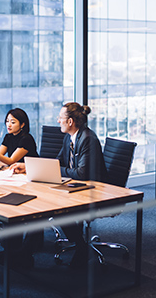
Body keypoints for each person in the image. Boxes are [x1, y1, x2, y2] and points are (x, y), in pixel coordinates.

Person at [0, 108, 41, 268]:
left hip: (32, 176)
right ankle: (9, 241)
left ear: (22, 124)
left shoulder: (26, 139)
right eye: (7, 121)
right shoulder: (8, 136)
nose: (9, 125)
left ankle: (21, 246)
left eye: (13, 122)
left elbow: (10, 160)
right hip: (17, 176)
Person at [56, 102, 107, 268]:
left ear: (70, 122)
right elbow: (58, 162)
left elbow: (82, 174)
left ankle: (81, 247)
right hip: (76, 186)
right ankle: (80, 244)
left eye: (60, 118)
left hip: (94, 190)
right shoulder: (68, 138)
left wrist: (57, 171)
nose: (58, 121)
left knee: (59, 210)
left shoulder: (88, 139)